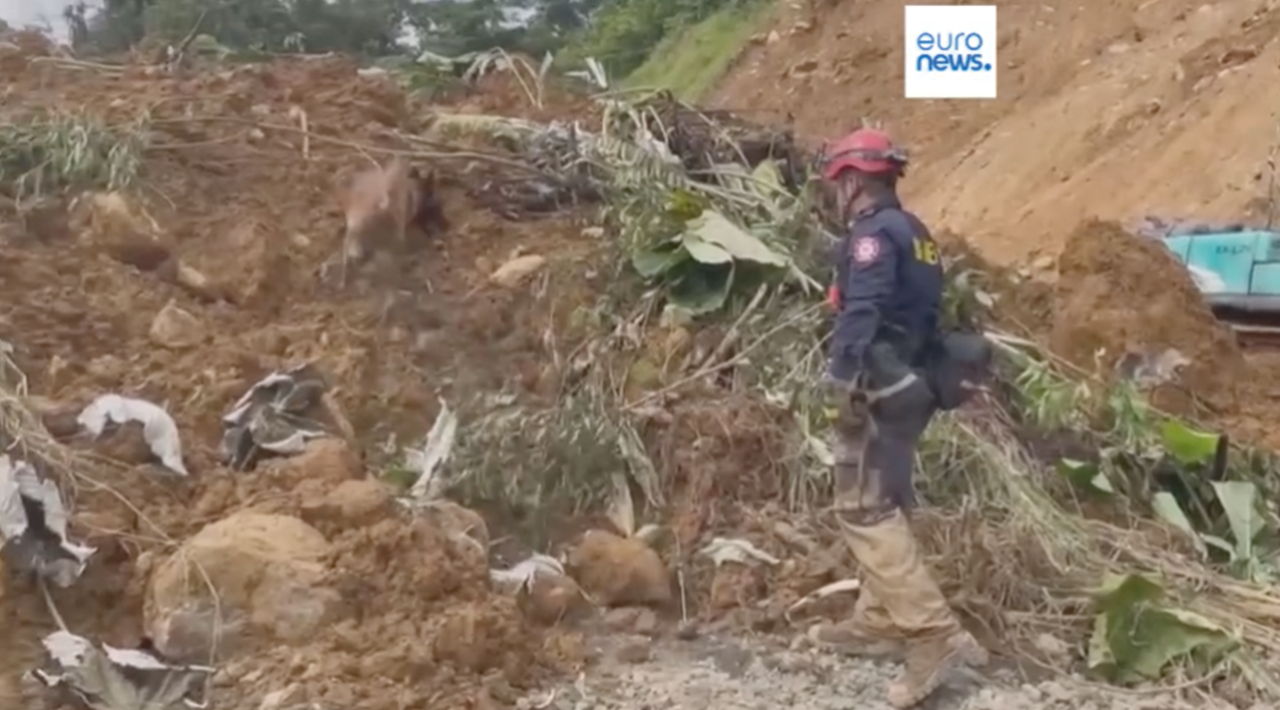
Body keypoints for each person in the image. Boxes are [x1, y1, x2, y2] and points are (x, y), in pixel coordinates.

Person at [807, 127, 989, 708]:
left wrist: (840, 377)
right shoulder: (916, 232)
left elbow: (862, 309)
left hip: (880, 384)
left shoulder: (871, 237)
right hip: (915, 382)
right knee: (879, 496)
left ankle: (932, 634)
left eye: (838, 184)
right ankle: (879, 617)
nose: (837, 195)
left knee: (862, 505)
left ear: (853, 182)